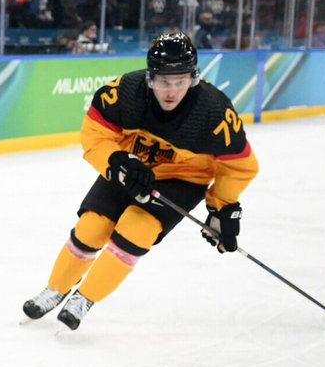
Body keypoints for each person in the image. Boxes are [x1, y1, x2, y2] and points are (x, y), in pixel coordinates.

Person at [22, 32, 258, 330]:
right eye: (163, 82)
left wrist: (221, 206)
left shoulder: (214, 112)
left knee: (137, 230)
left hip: (182, 180)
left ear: (194, 78)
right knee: (91, 227)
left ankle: (85, 298)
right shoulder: (125, 91)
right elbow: (95, 134)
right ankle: (55, 289)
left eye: (180, 81)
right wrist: (116, 160)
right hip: (131, 168)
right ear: (150, 78)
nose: (171, 91)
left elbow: (240, 166)